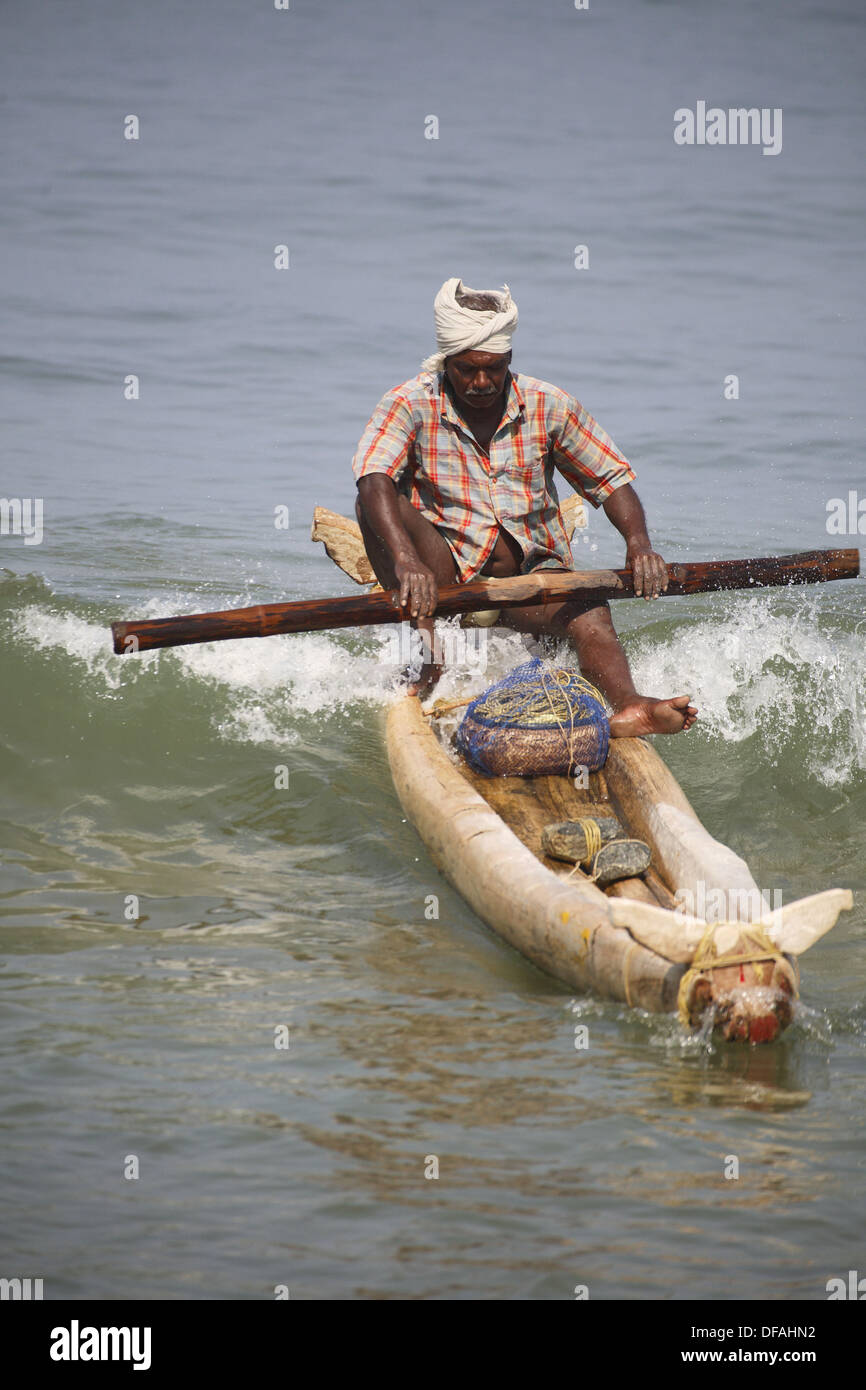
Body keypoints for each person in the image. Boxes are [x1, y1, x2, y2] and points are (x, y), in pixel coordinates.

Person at [353, 278, 697, 736]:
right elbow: (373, 477)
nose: (481, 382)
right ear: (446, 362)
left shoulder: (547, 404)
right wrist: (404, 559)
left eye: (493, 369)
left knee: (591, 611)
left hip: (530, 586)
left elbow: (611, 479)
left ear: (509, 359)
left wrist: (639, 544)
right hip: (446, 584)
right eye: (467, 370)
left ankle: (629, 706)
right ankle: (428, 658)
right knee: (372, 500)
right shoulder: (409, 403)